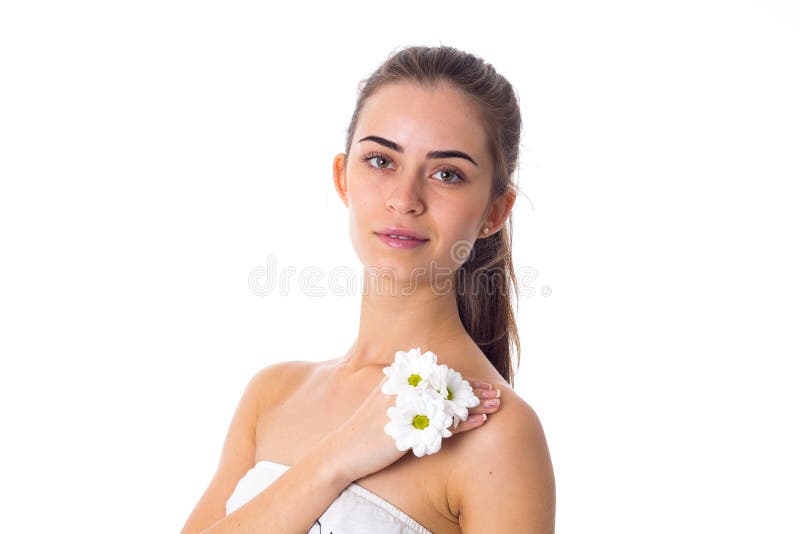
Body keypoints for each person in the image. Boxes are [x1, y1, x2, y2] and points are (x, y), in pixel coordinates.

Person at [181, 44, 555, 533]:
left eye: (447, 174)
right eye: (381, 161)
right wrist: (340, 456)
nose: (404, 199)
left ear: (494, 212)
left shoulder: (499, 435)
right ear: (343, 178)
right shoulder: (271, 395)